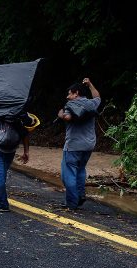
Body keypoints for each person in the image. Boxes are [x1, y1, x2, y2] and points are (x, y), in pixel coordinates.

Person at [57, 78, 101, 210]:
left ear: (76, 93)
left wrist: (61, 115)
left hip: (73, 145)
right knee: (80, 169)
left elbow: (68, 118)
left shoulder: (71, 105)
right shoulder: (90, 104)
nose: (67, 96)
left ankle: (72, 201)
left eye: (69, 94)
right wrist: (90, 85)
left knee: (68, 174)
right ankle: (80, 194)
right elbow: (97, 97)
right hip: (89, 144)